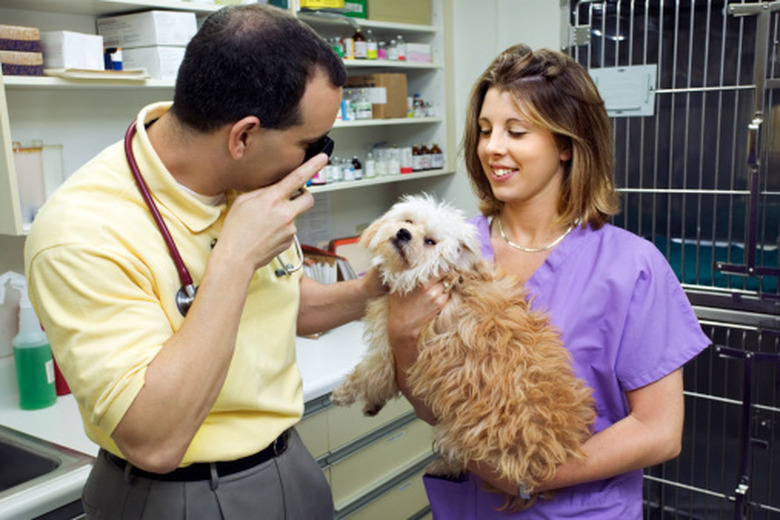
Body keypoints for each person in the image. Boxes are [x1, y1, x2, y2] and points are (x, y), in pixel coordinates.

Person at [25, 5, 384, 519]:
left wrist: (370, 292)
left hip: (288, 463)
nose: (314, 163)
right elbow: (155, 439)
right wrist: (234, 258)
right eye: (310, 146)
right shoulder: (81, 231)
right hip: (179, 493)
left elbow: (282, 300)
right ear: (243, 136)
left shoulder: (247, 185)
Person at [388, 44, 711, 518]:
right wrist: (401, 337)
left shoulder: (631, 266)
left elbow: (660, 431)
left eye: (516, 131)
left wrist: (529, 476)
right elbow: (434, 408)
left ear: (566, 144)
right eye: (484, 130)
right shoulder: (450, 249)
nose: (492, 147)